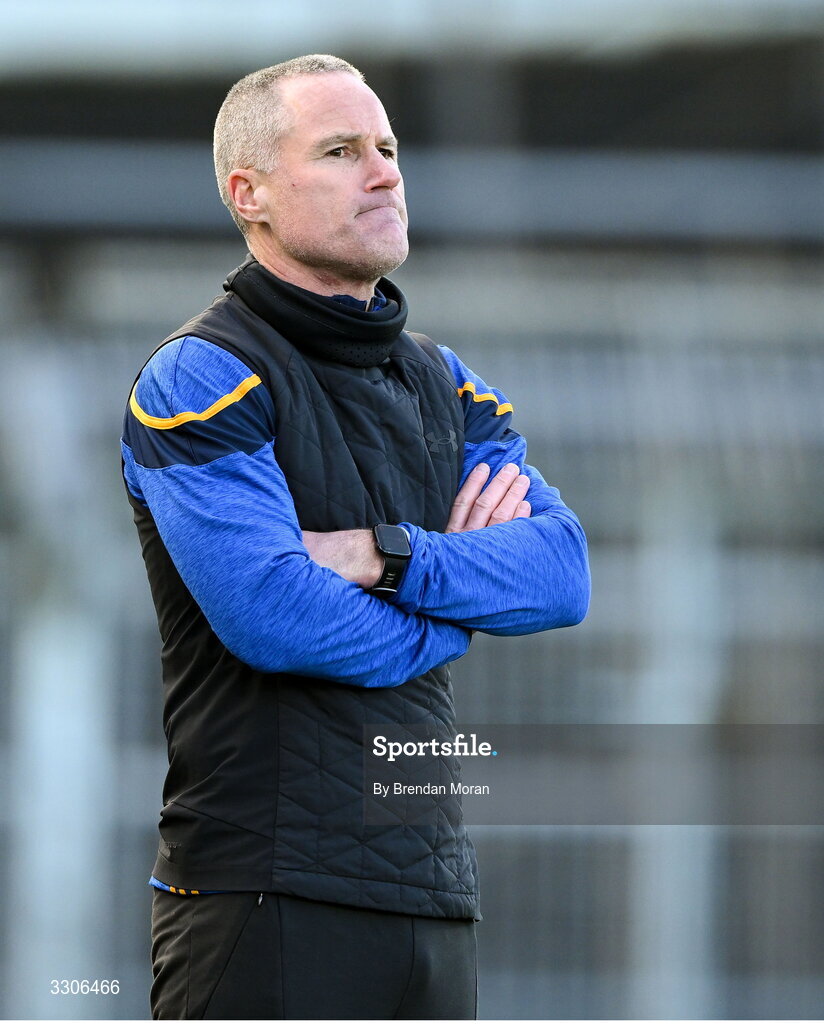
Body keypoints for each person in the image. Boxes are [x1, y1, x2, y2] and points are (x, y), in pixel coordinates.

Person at [121, 53, 590, 1020]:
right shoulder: (199, 376)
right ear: (247, 193)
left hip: (431, 895)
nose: (383, 172)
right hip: (264, 891)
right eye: (339, 151)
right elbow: (276, 616)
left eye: (386, 147)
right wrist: (456, 614)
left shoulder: (447, 383)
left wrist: (391, 556)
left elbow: (560, 573)